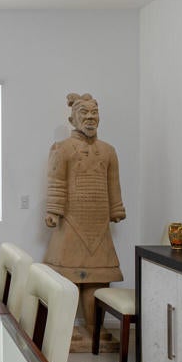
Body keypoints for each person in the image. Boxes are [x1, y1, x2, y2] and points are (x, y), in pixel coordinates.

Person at [44, 93, 125, 335]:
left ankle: (94, 330)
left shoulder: (108, 151)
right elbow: (57, 181)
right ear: (73, 119)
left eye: (94, 113)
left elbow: (113, 183)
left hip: (99, 224)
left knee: (98, 279)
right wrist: (53, 210)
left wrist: (116, 208)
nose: (90, 118)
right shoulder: (62, 149)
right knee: (67, 280)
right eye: (84, 113)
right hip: (71, 222)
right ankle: (65, 333)